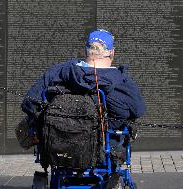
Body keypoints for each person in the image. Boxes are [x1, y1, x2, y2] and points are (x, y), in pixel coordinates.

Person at [17, 29, 146, 153]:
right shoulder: (123, 82)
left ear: (86, 51)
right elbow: (138, 110)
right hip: (102, 147)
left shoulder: (59, 72)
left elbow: (29, 103)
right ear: (112, 53)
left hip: (58, 142)